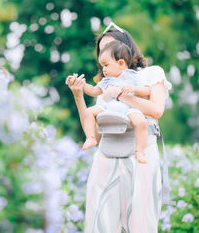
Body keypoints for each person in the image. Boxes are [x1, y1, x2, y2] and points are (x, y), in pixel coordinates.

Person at [65, 22, 172, 232]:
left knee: (142, 223)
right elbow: (95, 132)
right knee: (98, 223)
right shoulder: (105, 83)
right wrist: (79, 95)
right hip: (106, 156)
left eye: (110, 46)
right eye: (101, 51)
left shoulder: (151, 74)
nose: (105, 53)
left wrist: (125, 96)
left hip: (140, 155)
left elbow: (157, 110)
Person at [68, 40, 151, 164]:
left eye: (106, 65)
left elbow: (147, 90)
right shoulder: (106, 81)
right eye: (102, 66)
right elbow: (93, 91)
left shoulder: (133, 76)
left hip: (128, 108)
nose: (103, 70)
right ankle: (91, 138)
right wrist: (81, 84)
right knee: (89, 112)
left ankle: (139, 151)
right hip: (109, 107)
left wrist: (134, 88)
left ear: (121, 63)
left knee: (141, 122)